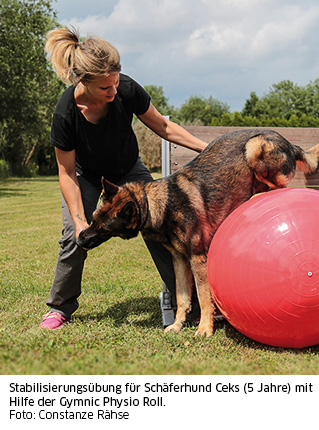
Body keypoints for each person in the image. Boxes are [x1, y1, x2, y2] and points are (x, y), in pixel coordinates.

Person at [40, 27, 207, 329]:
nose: (114, 91)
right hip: (88, 178)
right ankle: (60, 307)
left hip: (130, 173)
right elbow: (65, 172)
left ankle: (191, 305)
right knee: (73, 238)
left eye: (116, 82)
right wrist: (80, 221)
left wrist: (206, 149)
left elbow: (164, 128)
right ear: (84, 82)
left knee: (163, 227)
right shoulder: (66, 113)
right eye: (106, 88)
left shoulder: (126, 89)